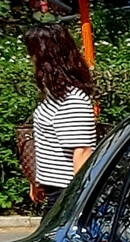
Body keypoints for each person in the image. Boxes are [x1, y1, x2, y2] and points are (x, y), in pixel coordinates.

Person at [21, 26, 97, 205]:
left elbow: (83, 151)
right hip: (56, 191)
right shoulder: (56, 95)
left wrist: (77, 202)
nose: (31, 60)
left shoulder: (73, 99)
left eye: (32, 53)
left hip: (66, 195)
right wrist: (40, 180)